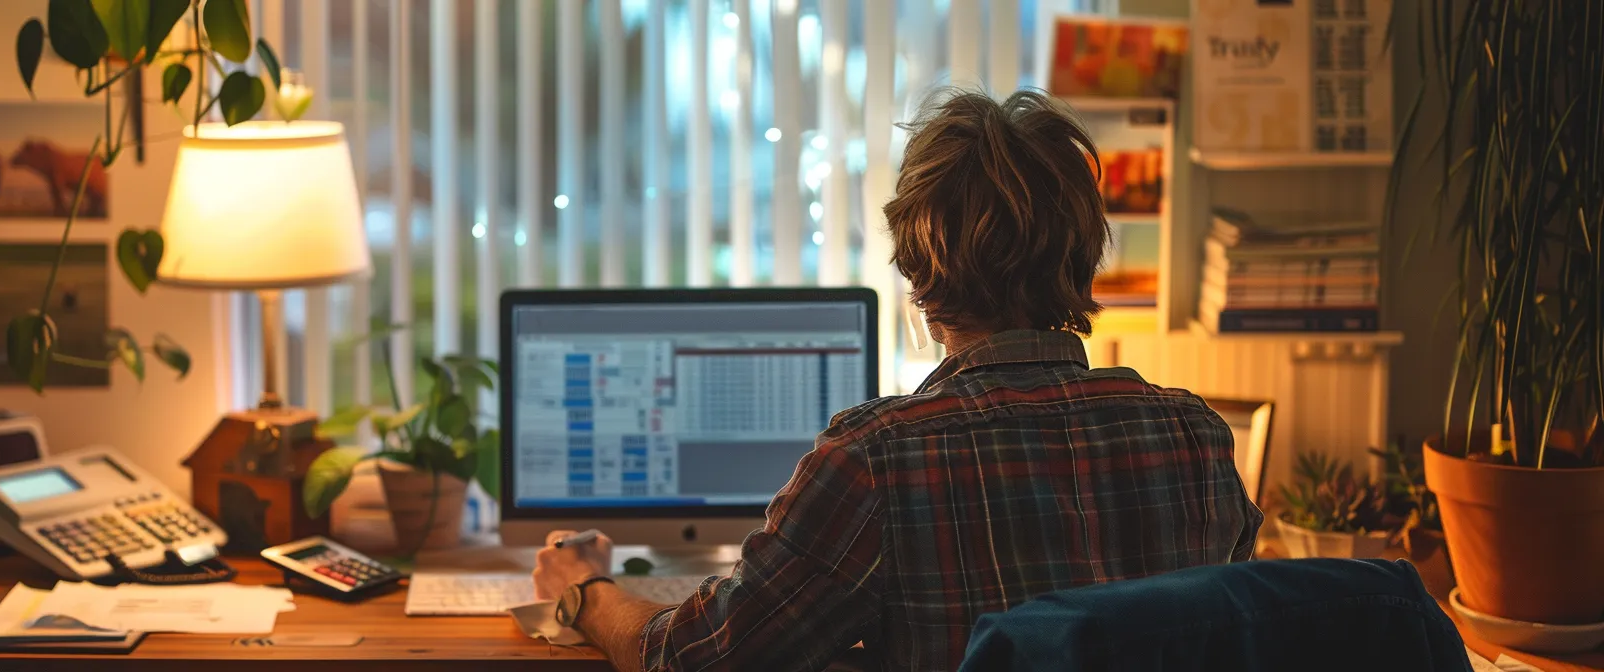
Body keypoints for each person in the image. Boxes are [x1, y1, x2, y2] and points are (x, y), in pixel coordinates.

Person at [532, 89, 1264, 672]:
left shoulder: (876, 456)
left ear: (918, 271)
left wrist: (585, 592)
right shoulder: (1196, 436)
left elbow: (692, 659)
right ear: (1084, 251)